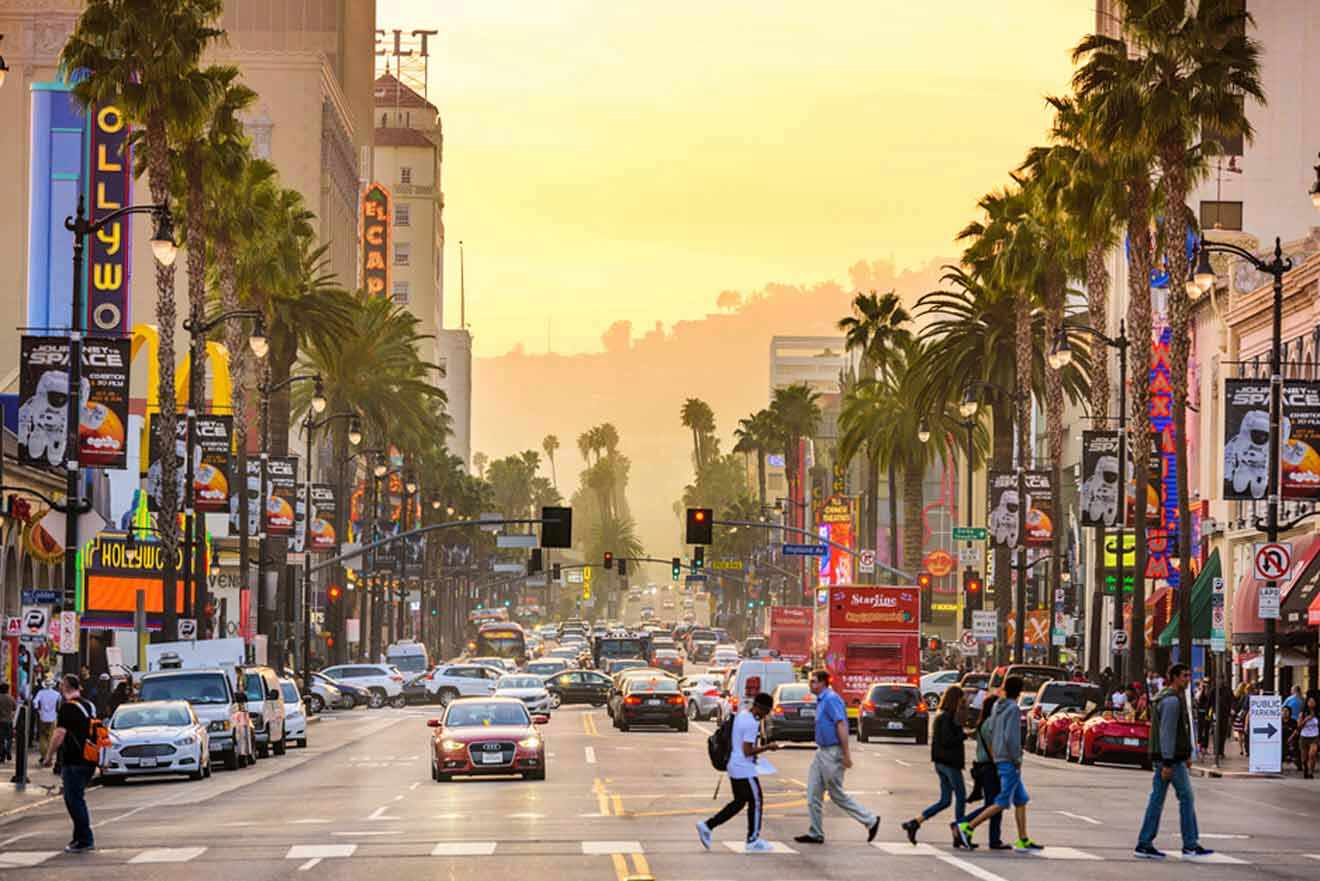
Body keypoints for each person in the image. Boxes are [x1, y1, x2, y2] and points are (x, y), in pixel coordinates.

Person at [955, 675, 1042, 852]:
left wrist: (996, 753)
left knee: (1021, 799)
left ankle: (1023, 839)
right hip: (1009, 760)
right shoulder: (1013, 709)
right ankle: (968, 827)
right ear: (1019, 691)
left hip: (999, 757)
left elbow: (992, 731)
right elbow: (1012, 737)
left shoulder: (996, 706)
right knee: (1002, 801)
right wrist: (1016, 758)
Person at [1134, 664, 1212, 860]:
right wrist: (1168, 762)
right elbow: (1167, 733)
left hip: (1170, 758)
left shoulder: (1169, 698)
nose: (1188, 679)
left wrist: (1185, 753)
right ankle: (1190, 844)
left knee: (1158, 800)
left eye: (1188, 675)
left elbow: (1176, 732)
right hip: (1170, 760)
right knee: (1185, 798)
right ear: (1174, 677)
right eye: (1185, 676)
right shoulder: (1171, 701)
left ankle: (1145, 843)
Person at [794, 669, 880, 845]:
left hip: (832, 752)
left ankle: (870, 820)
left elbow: (841, 725)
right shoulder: (822, 700)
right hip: (821, 752)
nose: (811, 684)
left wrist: (846, 754)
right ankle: (815, 832)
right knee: (813, 793)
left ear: (824, 683)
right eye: (810, 681)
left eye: (814, 681)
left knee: (836, 793)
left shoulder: (831, 699)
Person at [697, 692, 781, 853]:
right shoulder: (751, 723)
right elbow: (747, 750)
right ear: (760, 708)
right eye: (766, 712)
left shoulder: (742, 715)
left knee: (739, 802)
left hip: (733, 765)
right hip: (744, 768)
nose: (766, 716)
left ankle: (708, 825)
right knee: (756, 801)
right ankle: (753, 840)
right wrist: (767, 747)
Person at [900, 686, 978, 848]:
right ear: (954, 699)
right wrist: (965, 734)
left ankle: (915, 822)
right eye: (961, 700)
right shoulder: (946, 717)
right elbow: (948, 740)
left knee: (945, 800)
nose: (962, 702)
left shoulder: (945, 716)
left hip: (941, 762)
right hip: (949, 763)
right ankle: (959, 830)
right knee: (961, 796)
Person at [40, 674, 98, 854]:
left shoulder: (67, 708)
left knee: (74, 800)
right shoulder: (89, 705)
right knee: (76, 798)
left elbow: (59, 734)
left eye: (61, 685)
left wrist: (49, 756)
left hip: (74, 759)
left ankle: (84, 839)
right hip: (89, 758)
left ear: (65, 687)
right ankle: (78, 837)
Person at [967, 694, 1007, 850]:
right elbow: (992, 748)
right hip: (991, 767)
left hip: (984, 766)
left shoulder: (983, 722)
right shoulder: (990, 723)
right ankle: (962, 823)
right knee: (994, 805)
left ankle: (995, 839)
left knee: (994, 804)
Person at [33, 680, 61, 757]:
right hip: (53, 717)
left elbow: (35, 701)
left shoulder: (40, 692)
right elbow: (59, 705)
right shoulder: (57, 694)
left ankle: (43, 755)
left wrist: (38, 710)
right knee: (51, 737)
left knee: (42, 737)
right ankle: (49, 755)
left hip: (42, 717)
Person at [1295, 695, 1319, 779]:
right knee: (1304, 758)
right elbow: (1298, 726)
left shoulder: (1318, 714)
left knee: (1312, 754)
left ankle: (1311, 772)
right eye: (1310, 702)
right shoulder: (1302, 714)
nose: (1312, 703)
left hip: (1314, 737)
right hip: (1304, 737)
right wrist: (1306, 719)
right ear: (1307, 703)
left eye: (1313, 702)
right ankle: (1305, 768)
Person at [0, 683, 16, 764]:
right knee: (9, 738)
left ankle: (2, 755)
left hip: (1, 721)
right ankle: (8, 751)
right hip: (9, 721)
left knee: (1, 739)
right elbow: (14, 708)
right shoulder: (11, 698)